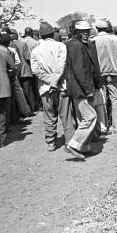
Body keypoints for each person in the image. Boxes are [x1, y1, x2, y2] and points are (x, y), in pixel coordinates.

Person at [31, 21, 75, 152]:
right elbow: (62, 65)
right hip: (61, 86)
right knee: (66, 116)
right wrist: (55, 81)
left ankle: (51, 142)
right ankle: (69, 142)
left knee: (49, 117)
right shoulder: (61, 46)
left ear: (40, 35)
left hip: (45, 89)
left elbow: (36, 70)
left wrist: (49, 81)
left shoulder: (36, 50)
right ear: (52, 33)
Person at [64, 20, 98, 159]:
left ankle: (83, 147)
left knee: (85, 117)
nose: (86, 34)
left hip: (80, 87)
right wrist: (88, 89)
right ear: (75, 33)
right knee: (90, 116)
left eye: (87, 31)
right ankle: (73, 144)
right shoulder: (76, 46)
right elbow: (80, 71)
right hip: (80, 88)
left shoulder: (76, 45)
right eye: (82, 32)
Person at [92, 19, 117, 133]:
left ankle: (103, 125)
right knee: (115, 99)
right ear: (107, 28)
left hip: (99, 74)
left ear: (97, 28)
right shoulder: (116, 39)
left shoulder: (93, 41)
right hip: (113, 72)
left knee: (102, 100)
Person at [20, 27, 39, 111]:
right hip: (34, 67)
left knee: (27, 89)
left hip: (24, 68)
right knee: (35, 87)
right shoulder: (35, 42)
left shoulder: (21, 42)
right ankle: (37, 105)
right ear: (31, 33)